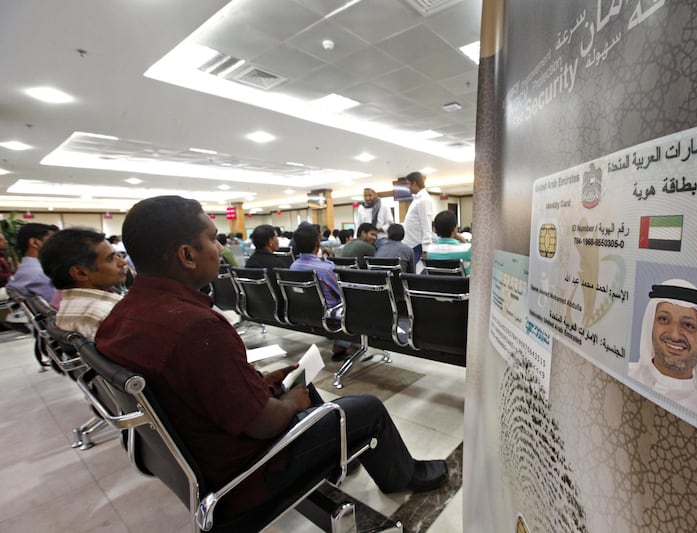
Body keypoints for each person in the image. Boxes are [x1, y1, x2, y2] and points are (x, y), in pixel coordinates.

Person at [95, 196, 447, 519]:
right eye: (214, 238)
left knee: (300, 386)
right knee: (363, 407)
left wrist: (258, 385)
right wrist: (291, 402)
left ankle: (335, 449)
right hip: (244, 476)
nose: (220, 248)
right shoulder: (196, 327)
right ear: (187, 255)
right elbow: (263, 424)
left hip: (194, 456)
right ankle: (403, 475)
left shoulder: (120, 318)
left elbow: (193, 388)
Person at [627, 279, 697, 427]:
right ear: (650, 328)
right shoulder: (625, 375)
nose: (675, 335)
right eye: (664, 319)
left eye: (688, 325)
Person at [39, 228, 128, 339]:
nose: (122, 262)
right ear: (81, 273)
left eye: (118, 256)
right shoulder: (107, 314)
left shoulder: (68, 306)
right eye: (110, 259)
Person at [290, 224, 356, 361]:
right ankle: (351, 343)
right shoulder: (326, 268)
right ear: (317, 243)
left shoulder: (293, 266)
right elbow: (343, 293)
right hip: (329, 315)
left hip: (306, 312)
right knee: (357, 304)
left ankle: (342, 342)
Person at [6, 222, 59, 303]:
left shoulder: (28, 268)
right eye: (53, 241)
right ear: (35, 243)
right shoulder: (38, 273)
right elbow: (59, 305)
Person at [401, 171, 434, 270]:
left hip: (417, 246)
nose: (408, 187)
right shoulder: (417, 199)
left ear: (414, 183)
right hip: (411, 244)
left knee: (416, 275)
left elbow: (426, 224)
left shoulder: (424, 200)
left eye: (408, 184)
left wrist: (426, 248)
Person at [427, 210, 472, 275]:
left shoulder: (430, 250)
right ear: (455, 228)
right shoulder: (467, 249)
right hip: (463, 284)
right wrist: (460, 237)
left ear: (435, 229)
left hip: (438, 284)